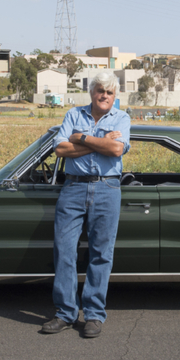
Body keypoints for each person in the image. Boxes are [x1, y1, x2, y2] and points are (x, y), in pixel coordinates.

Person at [41, 71, 130, 339]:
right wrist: (101, 142)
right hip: (73, 186)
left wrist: (80, 138)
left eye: (110, 92)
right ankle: (66, 313)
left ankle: (93, 315)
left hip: (108, 187)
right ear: (92, 92)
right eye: (101, 90)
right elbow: (60, 150)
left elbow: (117, 150)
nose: (105, 96)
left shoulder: (122, 118)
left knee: (101, 253)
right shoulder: (73, 115)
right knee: (64, 250)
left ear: (115, 96)